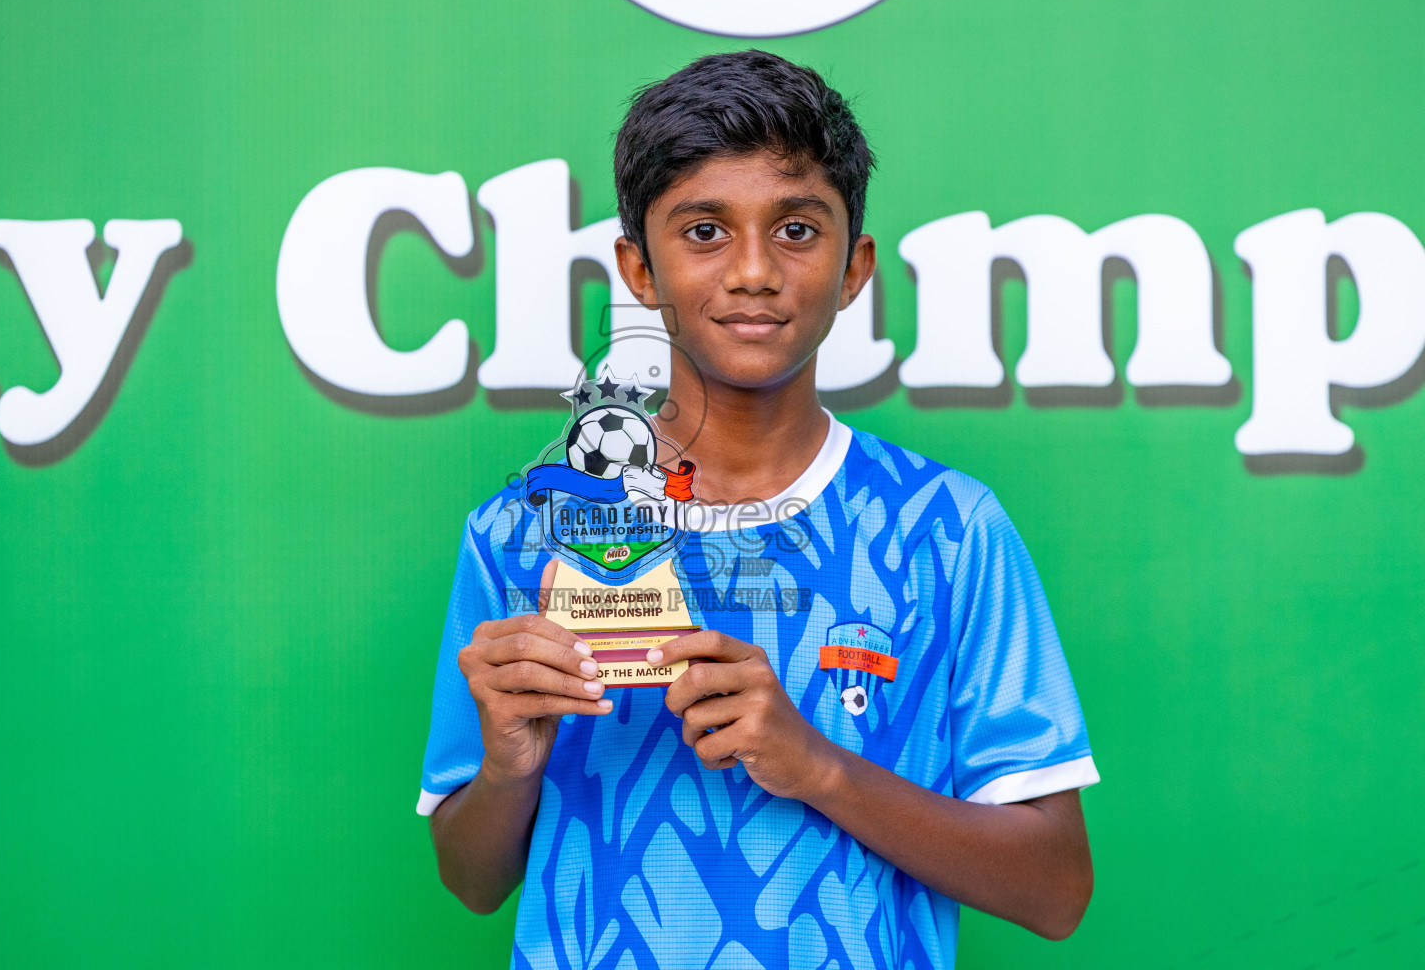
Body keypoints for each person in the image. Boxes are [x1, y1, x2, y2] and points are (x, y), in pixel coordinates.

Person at [419, 49, 1098, 970]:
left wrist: (817, 766)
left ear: (855, 267)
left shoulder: (949, 530)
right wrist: (508, 766)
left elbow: (1056, 889)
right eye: (703, 231)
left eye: (796, 230)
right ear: (638, 267)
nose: (752, 271)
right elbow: (471, 880)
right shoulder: (523, 532)